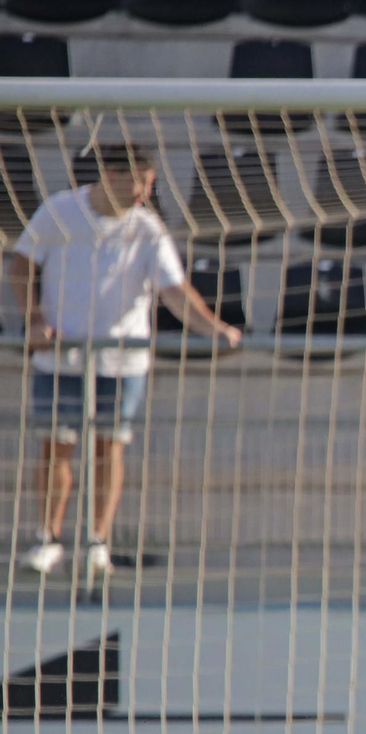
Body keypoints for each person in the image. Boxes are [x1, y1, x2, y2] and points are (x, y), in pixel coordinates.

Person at [10, 145, 242, 577]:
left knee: (107, 448)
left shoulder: (148, 228)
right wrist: (34, 318)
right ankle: (48, 539)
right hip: (62, 357)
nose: (144, 194)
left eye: (150, 185)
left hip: (121, 361)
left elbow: (175, 290)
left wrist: (215, 328)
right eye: (140, 182)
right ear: (111, 175)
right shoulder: (60, 210)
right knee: (56, 446)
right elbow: (22, 263)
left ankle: (97, 542)